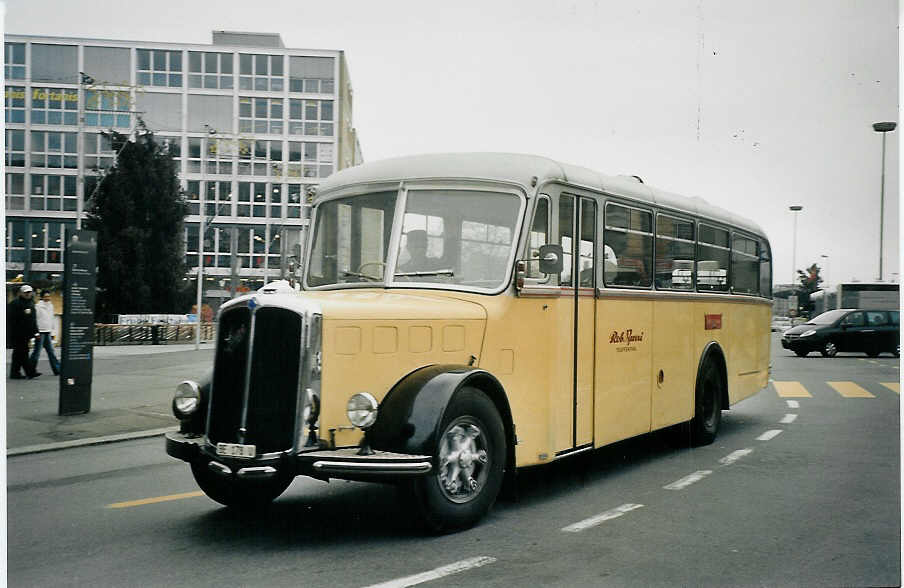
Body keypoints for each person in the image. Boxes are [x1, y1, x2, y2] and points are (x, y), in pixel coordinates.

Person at [7, 284, 40, 379]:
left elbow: (33, 320)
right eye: (26, 292)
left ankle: (15, 373)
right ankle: (30, 372)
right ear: (21, 293)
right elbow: (11, 320)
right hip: (17, 334)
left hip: (26, 334)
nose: (28, 294)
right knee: (23, 353)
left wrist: (36, 332)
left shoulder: (31, 303)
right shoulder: (15, 304)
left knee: (18, 354)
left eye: (29, 292)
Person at [30, 290, 60, 375]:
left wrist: (52, 329)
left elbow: (51, 318)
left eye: (48, 296)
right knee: (37, 352)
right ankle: (30, 370)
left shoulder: (51, 305)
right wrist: (36, 332)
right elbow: (34, 319)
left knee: (51, 351)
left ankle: (57, 370)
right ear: (42, 297)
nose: (47, 298)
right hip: (40, 332)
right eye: (46, 296)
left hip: (48, 331)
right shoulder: (38, 306)